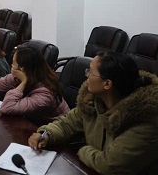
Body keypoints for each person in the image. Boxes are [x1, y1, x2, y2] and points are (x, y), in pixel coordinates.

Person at [28, 52, 158, 174]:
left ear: (107, 84)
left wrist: (82, 150)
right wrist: (46, 134)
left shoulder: (145, 120)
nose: (87, 76)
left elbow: (109, 164)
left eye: (90, 72)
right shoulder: (92, 102)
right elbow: (66, 124)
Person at [0, 46, 69, 125]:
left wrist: (24, 83)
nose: (11, 66)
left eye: (14, 63)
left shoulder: (45, 92)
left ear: (22, 68)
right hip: (30, 122)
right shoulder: (18, 77)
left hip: (51, 132)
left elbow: (7, 108)